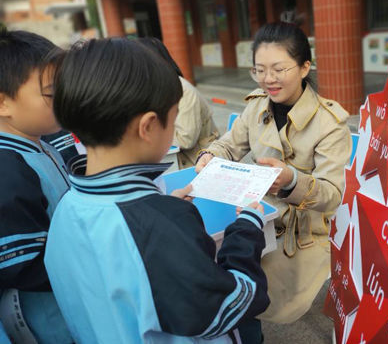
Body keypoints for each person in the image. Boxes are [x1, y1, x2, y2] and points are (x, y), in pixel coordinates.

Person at [44, 38, 270, 343]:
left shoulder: (65, 207)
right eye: (173, 119)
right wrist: (247, 229)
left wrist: (162, 211)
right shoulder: (159, 224)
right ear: (148, 126)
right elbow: (229, 305)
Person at [196, 22, 352, 335]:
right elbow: (230, 143)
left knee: (246, 297)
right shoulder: (256, 107)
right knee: (209, 269)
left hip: (303, 234)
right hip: (257, 214)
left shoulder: (330, 124)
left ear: (305, 67)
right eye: (260, 70)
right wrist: (210, 155)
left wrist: (292, 180)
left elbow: (333, 195)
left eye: (279, 69)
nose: (269, 79)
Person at [0, 28, 72, 343]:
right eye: (51, 92)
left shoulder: (41, 144)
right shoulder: (8, 166)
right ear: (3, 104)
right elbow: (23, 264)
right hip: (51, 324)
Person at [137, 37, 219, 168]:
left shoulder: (183, 91)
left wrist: (149, 133)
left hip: (197, 164)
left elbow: (185, 140)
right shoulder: (154, 89)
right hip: (174, 160)